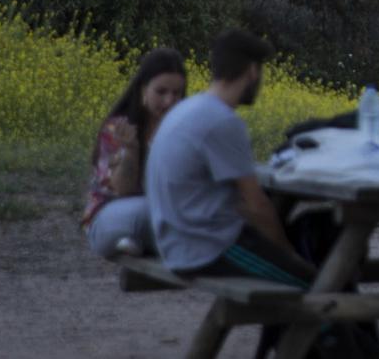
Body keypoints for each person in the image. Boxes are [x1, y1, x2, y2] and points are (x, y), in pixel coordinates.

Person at [145, 28, 316, 287]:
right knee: (314, 287)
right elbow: (256, 205)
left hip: (176, 241)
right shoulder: (220, 120)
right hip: (204, 250)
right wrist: (288, 254)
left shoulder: (188, 109)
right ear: (252, 72)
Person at [82, 47, 187, 259]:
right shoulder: (119, 128)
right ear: (143, 90)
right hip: (113, 214)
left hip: (164, 213)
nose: (169, 101)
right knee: (148, 212)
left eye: (177, 94)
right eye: (161, 92)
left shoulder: (183, 129)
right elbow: (121, 190)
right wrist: (131, 151)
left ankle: (147, 244)